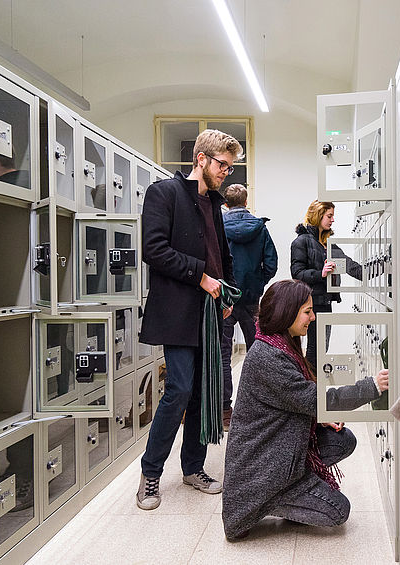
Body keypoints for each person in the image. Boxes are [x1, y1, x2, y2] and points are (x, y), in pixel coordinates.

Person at [221, 279, 388, 540]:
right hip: (263, 472)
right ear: (287, 312)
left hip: (279, 450)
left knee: (342, 441)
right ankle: (266, 500)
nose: (312, 316)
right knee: (337, 511)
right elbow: (320, 399)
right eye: (307, 311)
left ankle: (296, 481)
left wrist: (318, 421)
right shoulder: (268, 357)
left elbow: (295, 401)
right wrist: (373, 386)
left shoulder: (280, 343)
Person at [136, 129, 242, 511]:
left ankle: (193, 468)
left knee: (202, 391)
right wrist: (201, 276)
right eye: (221, 165)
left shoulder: (214, 202)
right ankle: (150, 474)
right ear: (201, 159)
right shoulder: (164, 193)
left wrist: (226, 290)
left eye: (230, 167)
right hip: (179, 309)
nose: (225, 173)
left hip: (212, 310)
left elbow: (223, 254)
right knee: (179, 389)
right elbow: (154, 249)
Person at [220, 183, 278, 430]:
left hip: (223, 299)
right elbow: (271, 263)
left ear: (226, 204)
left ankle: (225, 411)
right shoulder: (260, 228)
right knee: (258, 353)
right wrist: (257, 283)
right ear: (245, 203)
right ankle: (258, 406)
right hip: (251, 299)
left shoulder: (217, 226)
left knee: (222, 355)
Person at [290, 200, 362, 369]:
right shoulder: (302, 241)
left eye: (333, 216)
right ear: (318, 215)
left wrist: (383, 267)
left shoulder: (328, 245)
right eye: (329, 216)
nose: (332, 220)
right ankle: (310, 389)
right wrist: (321, 274)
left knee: (322, 349)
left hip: (325, 303)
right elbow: (297, 273)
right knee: (315, 350)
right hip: (311, 304)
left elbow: (353, 268)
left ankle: (312, 386)